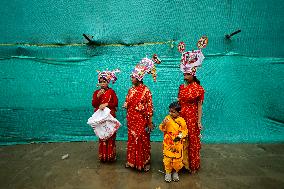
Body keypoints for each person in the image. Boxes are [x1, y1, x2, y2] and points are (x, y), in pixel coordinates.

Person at [124, 55, 160, 171]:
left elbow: (149, 108)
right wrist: (126, 105)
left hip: (142, 121)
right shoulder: (131, 90)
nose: (131, 78)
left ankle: (145, 162)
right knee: (132, 140)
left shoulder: (146, 91)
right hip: (131, 120)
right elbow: (128, 102)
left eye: (133, 76)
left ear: (139, 78)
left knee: (142, 141)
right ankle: (132, 161)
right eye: (131, 76)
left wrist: (149, 122)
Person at [178, 42, 205, 173]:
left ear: (193, 74)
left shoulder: (199, 89)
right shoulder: (182, 87)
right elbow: (178, 103)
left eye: (187, 74)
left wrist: (199, 121)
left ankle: (192, 165)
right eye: (184, 74)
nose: (185, 76)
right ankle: (181, 164)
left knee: (192, 141)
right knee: (180, 139)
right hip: (181, 117)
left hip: (192, 118)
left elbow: (199, 106)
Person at [92, 69, 120, 162]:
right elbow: (94, 104)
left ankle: (111, 156)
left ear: (108, 82)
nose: (102, 84)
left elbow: (115, 103)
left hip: (109, 117)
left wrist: (106, 104)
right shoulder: (96, 92)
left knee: (110, 135)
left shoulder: (112, 92)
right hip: (100, 118)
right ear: (98, 83)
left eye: (104, 82)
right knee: (102, 136)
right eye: (101, 82)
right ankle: (103, 157)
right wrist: (97, 97)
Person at [159, 101, 188, 182]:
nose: (170, 113)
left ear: (179, 112)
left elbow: (185, 131)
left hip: (177, 143)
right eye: (170, 111)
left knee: (177, 159)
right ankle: (168, 172)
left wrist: (179, 137)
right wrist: (164, 124)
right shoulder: (167, 118)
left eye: (173, 112)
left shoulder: (182, 121)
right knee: (167, 158)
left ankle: (175, 171)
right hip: (168, 142)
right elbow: (161, 128)